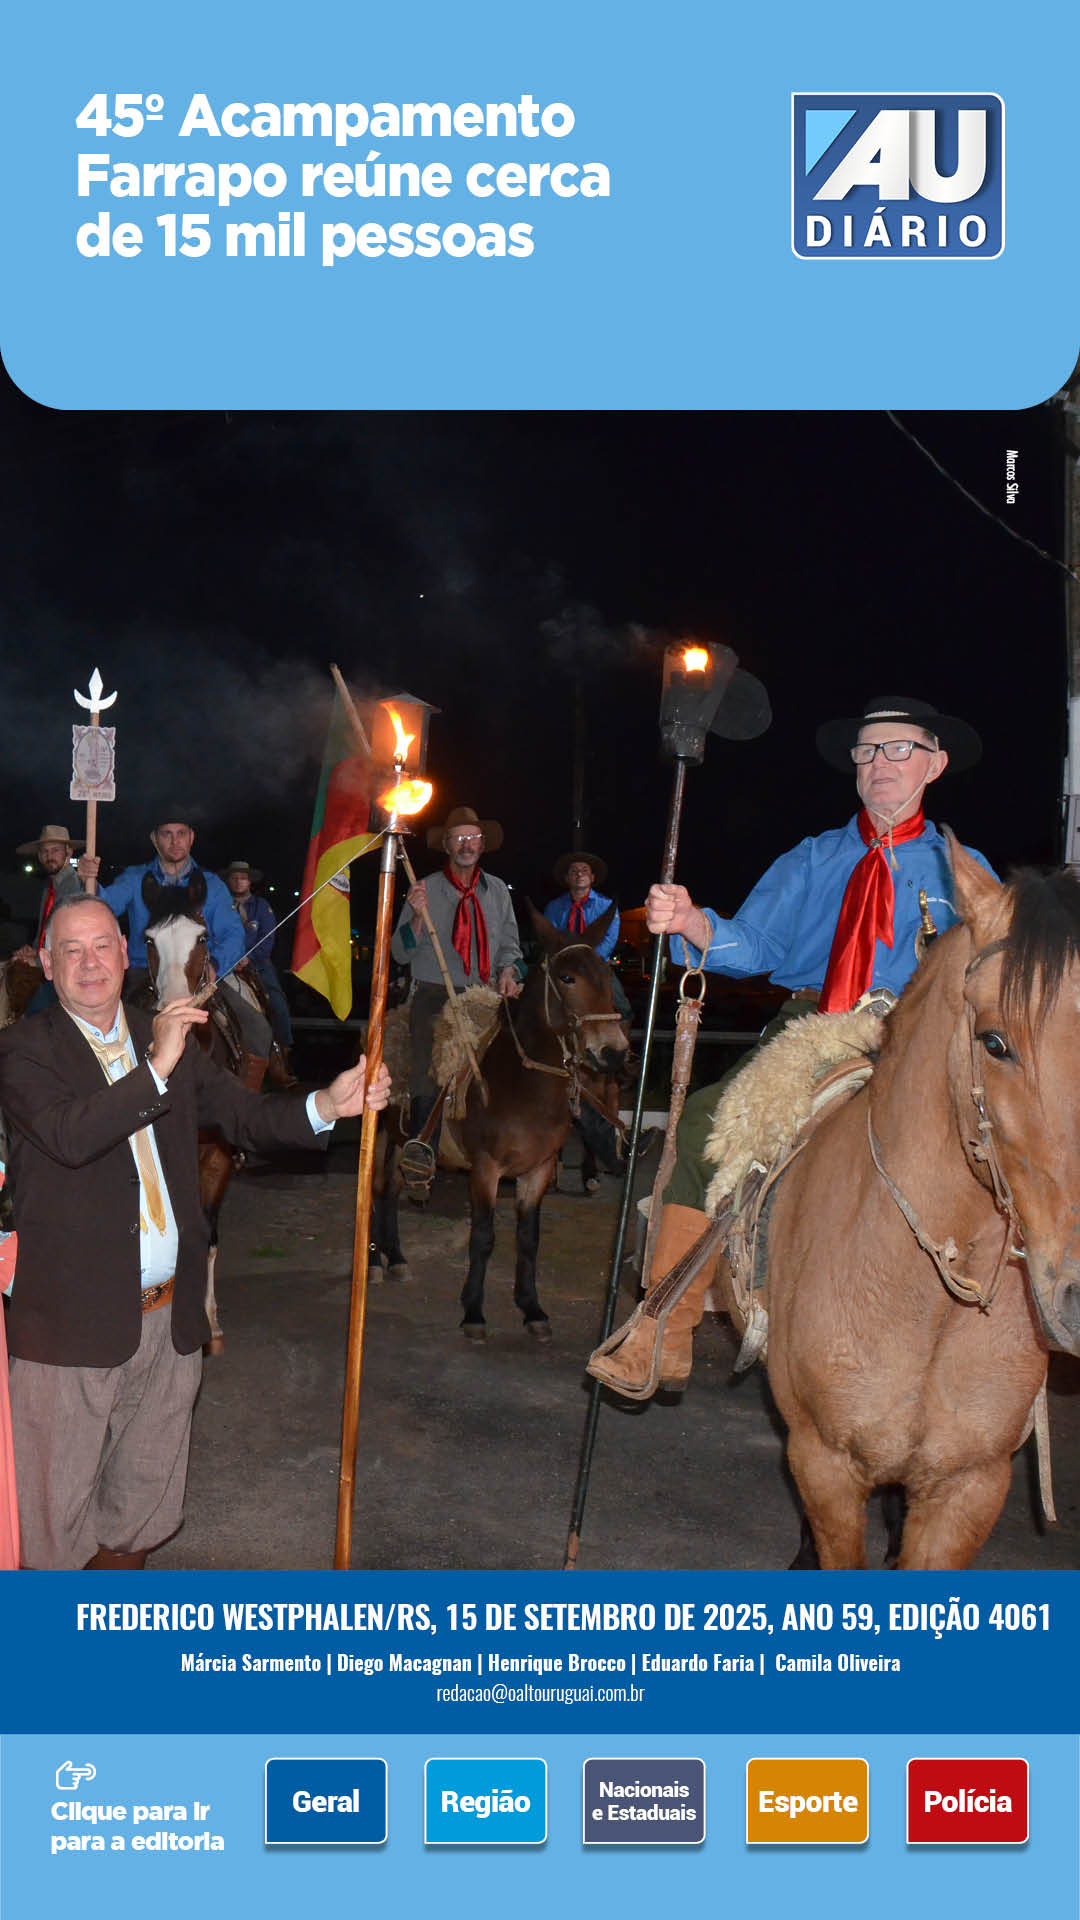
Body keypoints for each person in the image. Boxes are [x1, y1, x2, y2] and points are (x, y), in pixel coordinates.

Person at [599, 693, 995, 1396]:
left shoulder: (964, 869)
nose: (880, 764)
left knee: (1004, 1135)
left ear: (933, 765)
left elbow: (996, 969)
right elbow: (756, 944)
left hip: (916, 1034)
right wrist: (693, 922)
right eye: (867, 751)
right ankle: (664, 1328)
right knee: (703, 1126)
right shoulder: (814, 858)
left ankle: (1012, 1312)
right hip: (813, 1025)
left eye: (899, 749)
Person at [0, 893, 391, 1570]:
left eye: (102, 946)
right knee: (53, 1529)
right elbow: (71, 1136)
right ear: (46, 963)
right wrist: (156, 1067)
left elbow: (245, 1117)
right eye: (71, 949)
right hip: (69, 1327)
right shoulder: (22, 1050)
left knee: (140, 1516)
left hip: (167, 1321)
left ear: (128, 956)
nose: (89, 963)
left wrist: (329, 1103)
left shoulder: (163, 1029)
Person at [79, 813, 273, 1061]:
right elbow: (102, 907)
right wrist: (90, 883)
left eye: (181, 833)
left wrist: (215, 966)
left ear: (191, 838)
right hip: (142, 971)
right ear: (154, 839)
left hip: (201, 972)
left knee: (258, 1030)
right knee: (98, 1031)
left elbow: (233, 933)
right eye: (166, 834)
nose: (174, 841)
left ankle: (248, 1095)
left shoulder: (211, 885)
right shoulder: (135, 878)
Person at [391, 805, 523, 1138]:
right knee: (428, 1059)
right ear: (447, 845)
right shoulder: (423, 888)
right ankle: (422, 1149)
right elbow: (399, 952)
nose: (467, 844)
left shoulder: (497, 892)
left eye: (473, 838)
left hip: (485, 992)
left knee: (527, 1049)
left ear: (482, 845)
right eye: (459, 838)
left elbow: (511, 946)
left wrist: (509, 971)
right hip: (435, 992)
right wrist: (418, 917)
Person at [544, 851, 630, 1188]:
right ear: (568, 879)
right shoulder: (554, 908)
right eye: (574, 871)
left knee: (620, 1002)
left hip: (594, 968)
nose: (579, 874)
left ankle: (618, 1058)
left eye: (585, 870)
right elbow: (550, 940)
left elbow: (606, 943)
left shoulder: (607, 907)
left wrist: (585, 961)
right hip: (565, 972)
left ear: (592, 878)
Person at [221, 859, 296, 1085]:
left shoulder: (261, 907)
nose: (238, 881)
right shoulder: (220, 905)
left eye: (242, 878)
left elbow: (267, 938)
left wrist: (249, 959)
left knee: (277, 1004)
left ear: (249, 882)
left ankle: (280, 1059)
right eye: (234, 877)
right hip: (224, 965)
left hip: (257, 964)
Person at [10, 824, 86, 1011]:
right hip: (49, 967)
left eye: (55, 851)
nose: (49, 856)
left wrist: (35, 962)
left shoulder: (74, 886)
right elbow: (45, 934)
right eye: (44, 852)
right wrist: (33, 952)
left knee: (28, 1011)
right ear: (38, 856)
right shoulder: (50, 888)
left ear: (68, 852)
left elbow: (67, 939)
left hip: (65, 974)